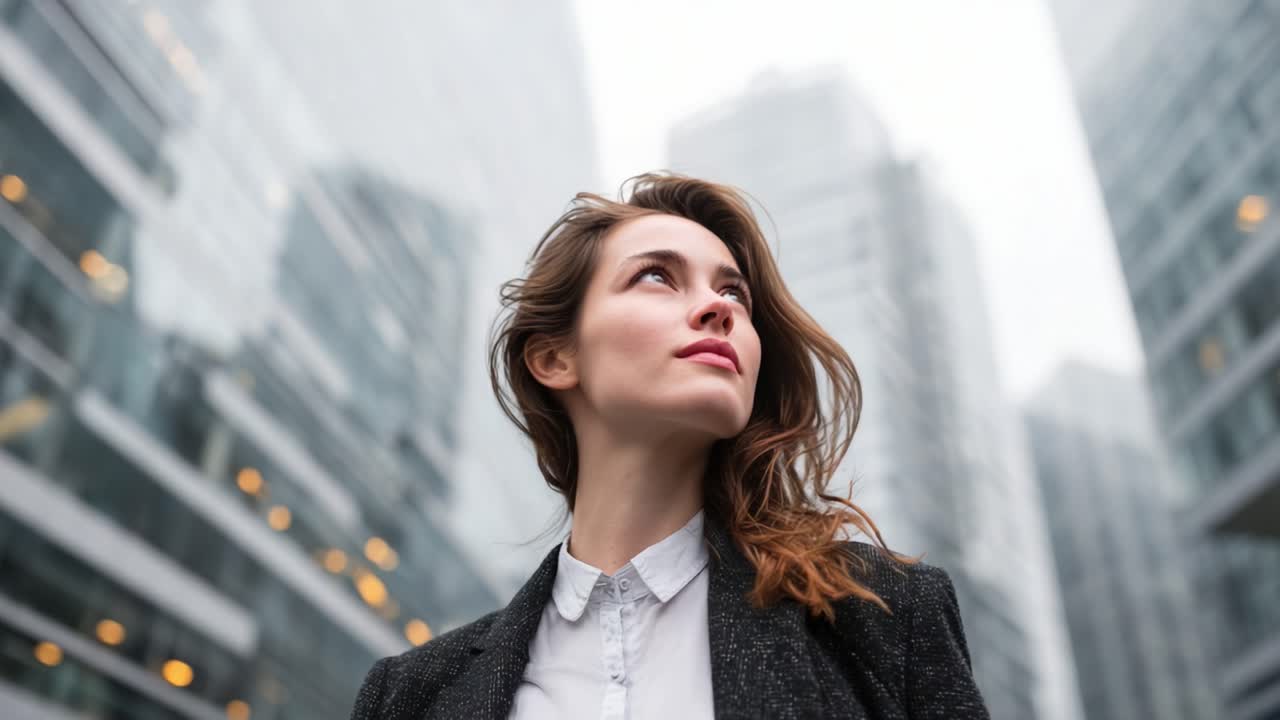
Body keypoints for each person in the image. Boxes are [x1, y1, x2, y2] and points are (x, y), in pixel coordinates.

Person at [348, 173, 990, 719]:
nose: (719, 309)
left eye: (732, 290)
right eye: (657, 276)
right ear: (554, 356)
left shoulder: (881, 617)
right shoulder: (409, 697)